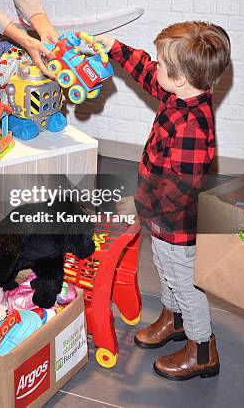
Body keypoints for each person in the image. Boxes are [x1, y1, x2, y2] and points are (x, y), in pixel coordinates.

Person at [98, 21, 231, 381]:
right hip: (162, 219)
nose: (153, 66)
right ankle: (173, 321)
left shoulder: (192, 127)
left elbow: (180, 188)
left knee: (185, 283)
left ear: (179, 78)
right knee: (164, 268)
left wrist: (139, 206)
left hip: (177, 223)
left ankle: (202, 349)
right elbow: (144, 70)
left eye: (160, 63)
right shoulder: (179, 93)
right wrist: (114, 47)